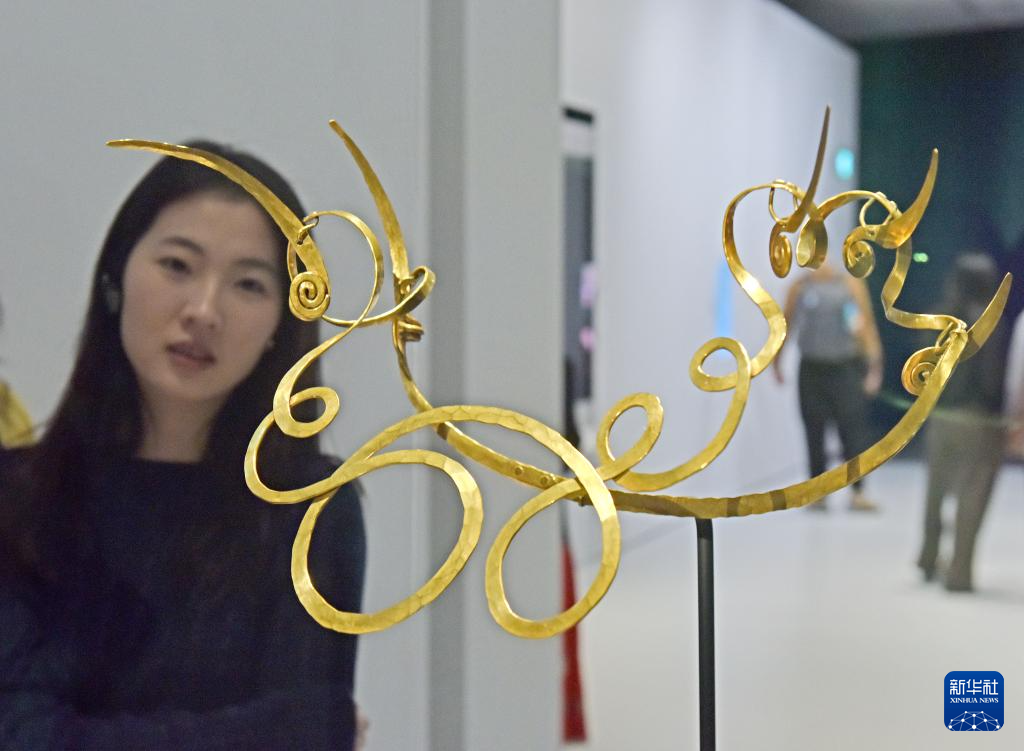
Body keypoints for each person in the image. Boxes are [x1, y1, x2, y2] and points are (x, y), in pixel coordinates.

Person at [0, 143, 366, 749]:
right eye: (177, 265)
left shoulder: (311, 510)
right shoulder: (18, 499)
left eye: (248, 284)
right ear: (116, 278)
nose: (203, 311)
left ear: (282, 321)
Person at [916, 253, 1008, 592]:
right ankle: (960, 571)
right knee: (972, 495)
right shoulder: (990, 325)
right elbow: (992, 378)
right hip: (977, 419)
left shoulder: (939, 318)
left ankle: (928, 556)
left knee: (935, 489)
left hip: (941, 415)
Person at [775, 261, 884, 511]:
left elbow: (865, 325)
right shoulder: (800, 288)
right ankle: (818, 491)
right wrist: (776, 361)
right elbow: (786, 324)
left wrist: (874, 366)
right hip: (812, 368)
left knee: (852, 430)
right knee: (814, 430)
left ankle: (858, 490)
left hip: (845, 367)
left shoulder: (849, 286)